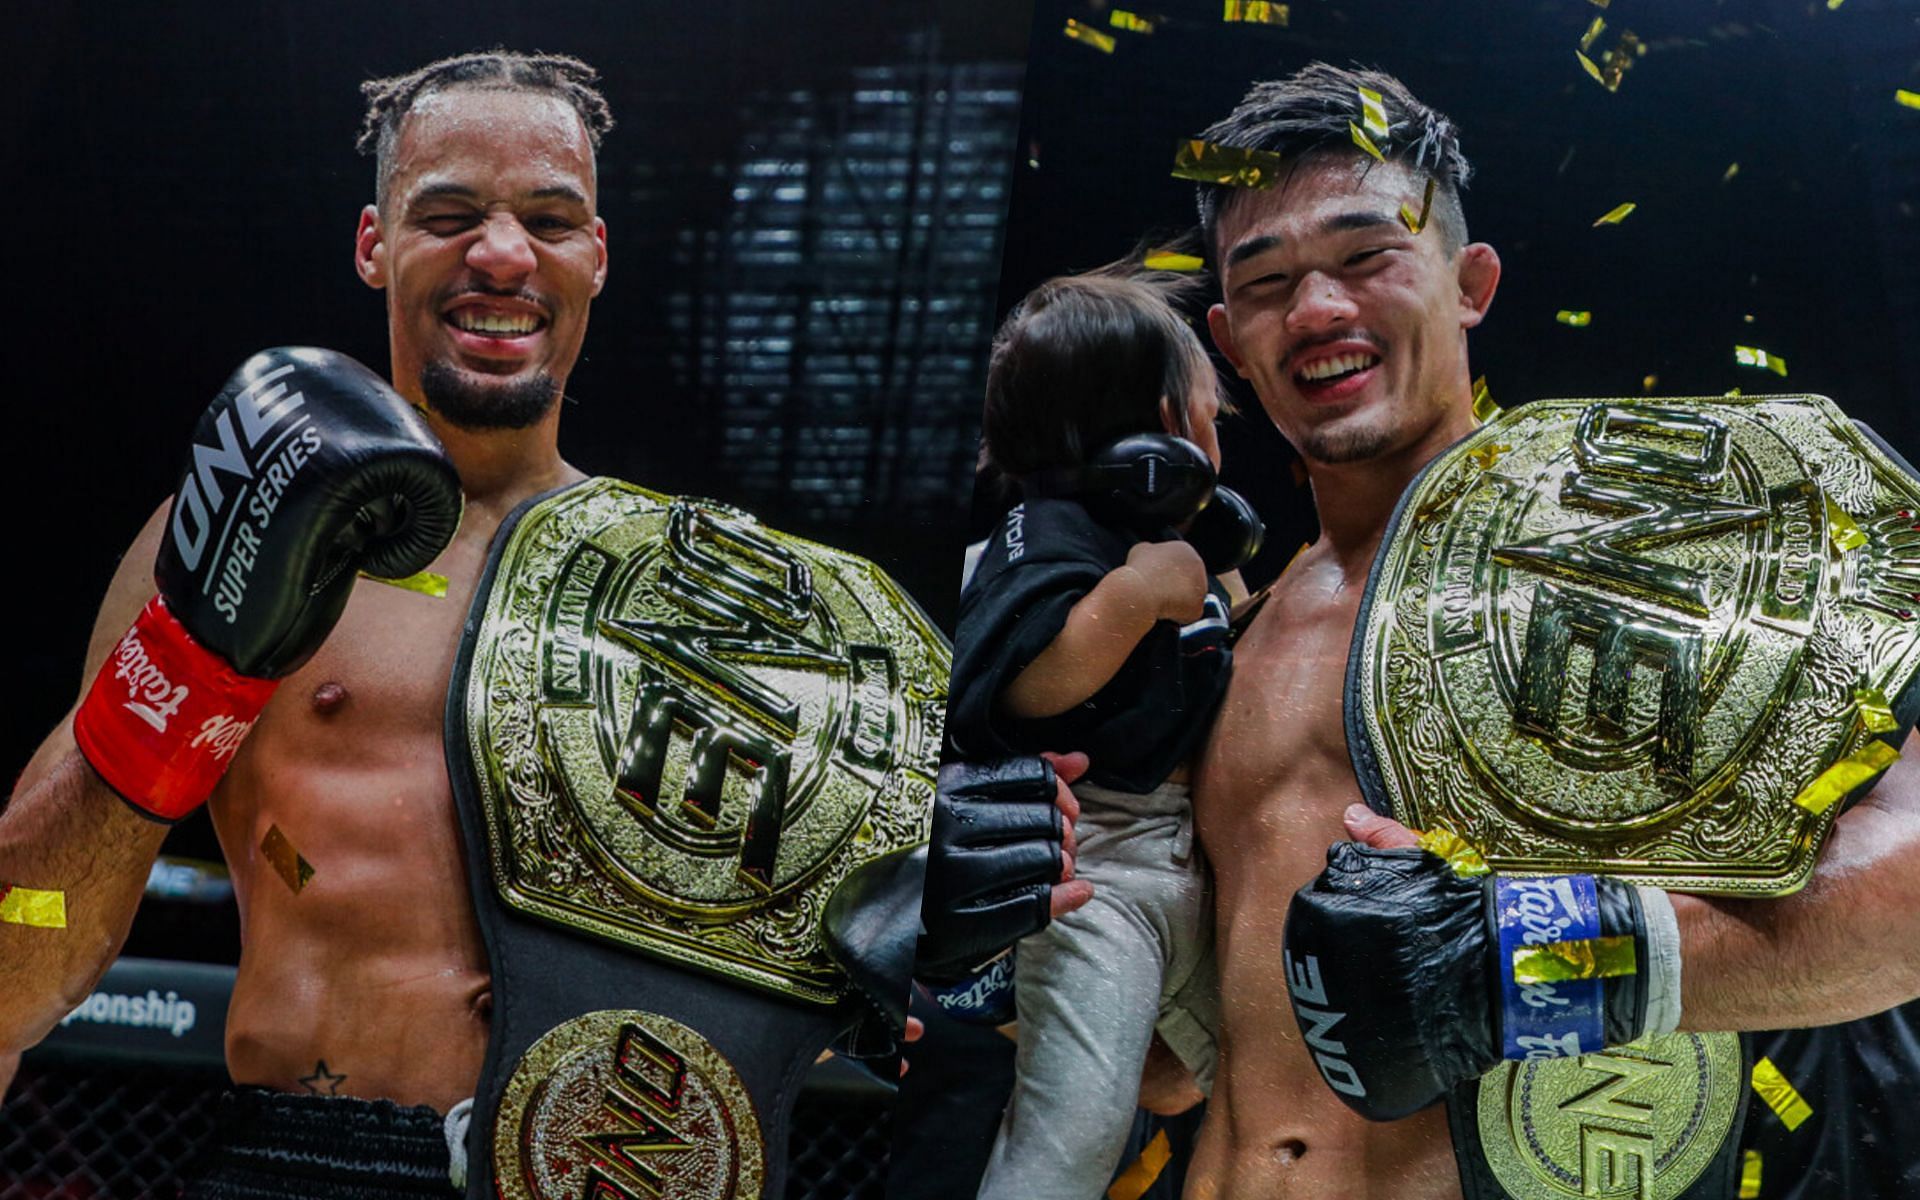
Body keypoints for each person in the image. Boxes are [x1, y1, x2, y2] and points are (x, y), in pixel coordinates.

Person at [0, 49, 1075, 1198]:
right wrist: (190, 661)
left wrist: (932, 910)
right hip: (311, 1161)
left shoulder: (736, 610)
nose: (502, 254)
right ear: (375, 243)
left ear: (596, 258)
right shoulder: (223, 525)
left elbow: (865, 1000)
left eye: (549, 220)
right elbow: (22, 956)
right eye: (451, 213)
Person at [1173, 63, 1920, 1198]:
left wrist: (1540, 967)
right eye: (1268, 281)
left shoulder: (1673, 555)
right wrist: (1004, 945)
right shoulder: (1230, 634)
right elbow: (1177, 1070)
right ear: (1230, 339)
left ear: (1470, 283)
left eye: (1367, 256)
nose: (1317, 310)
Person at [946, 272, 1243, 1199]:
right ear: (1165, 426)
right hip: (1092, 870)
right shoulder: (1048, 535)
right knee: (1071, 1134)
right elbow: (1021, 681)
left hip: (1179, 859)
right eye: (1213, 416)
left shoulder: (1153, 544)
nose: (1220, 441)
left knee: (1273, 1077)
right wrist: (1129, 599)